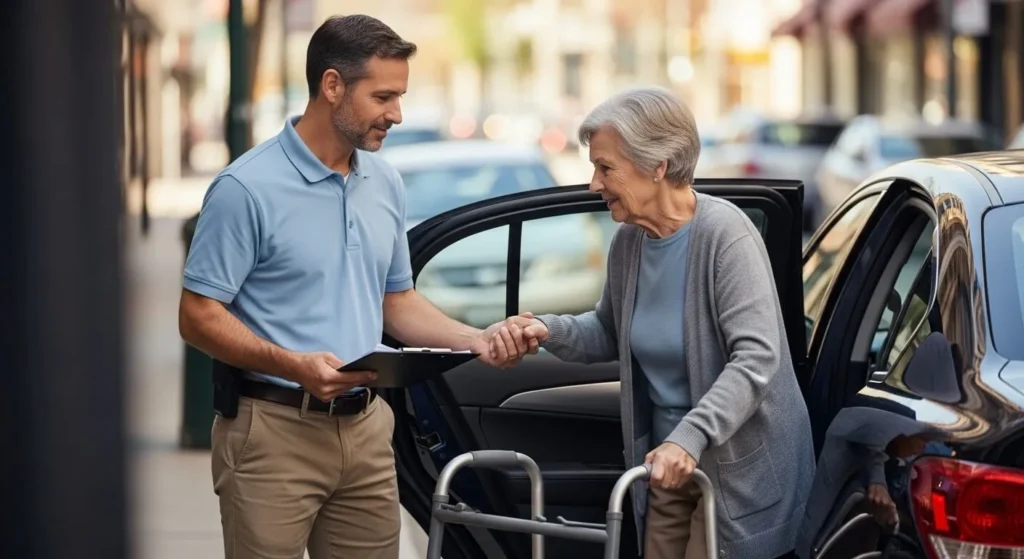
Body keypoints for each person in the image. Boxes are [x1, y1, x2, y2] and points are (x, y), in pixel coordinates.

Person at [178, 14, 530, 559]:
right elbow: (197, 315)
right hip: (272, 433)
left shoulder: (384, 180)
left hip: (366, 431)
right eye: (384, 96)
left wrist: (477, 340)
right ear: (332, 85)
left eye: (400, 96)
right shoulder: (245, 188)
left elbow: (398, 302)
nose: (397, 114)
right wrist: (294, 364)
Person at [492, 87, 817, 559]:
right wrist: (547, 329)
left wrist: (689, 438)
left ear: (657, 165)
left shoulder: (726, 236)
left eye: (605, 167)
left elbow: (756, 360)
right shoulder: (630, 241)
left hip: (732, 472)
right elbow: (609, 331)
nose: (593, 184)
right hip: (665, 464)